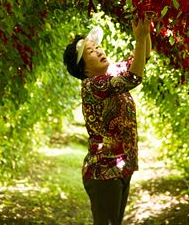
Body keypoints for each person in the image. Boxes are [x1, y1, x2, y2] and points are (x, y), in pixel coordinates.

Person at [63, 17, 152, 225]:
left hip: (121, 167)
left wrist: (145, 30)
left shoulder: (111, 73)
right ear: (83, 68)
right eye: (91, 52)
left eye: (98, 47)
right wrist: (139, 38)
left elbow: (142, 58)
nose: (100, 52)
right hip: (103, 172)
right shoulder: (91, 85)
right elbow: (133, 78)